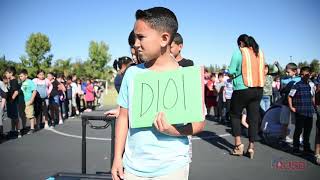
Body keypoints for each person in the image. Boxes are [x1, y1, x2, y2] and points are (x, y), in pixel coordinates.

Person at [111, 7, 205, 180]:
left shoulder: (187, 77)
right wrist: (117, 157)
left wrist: (172, 130)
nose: (136, 43)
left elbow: (198, 125)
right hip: (132, 167)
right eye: (135, 37)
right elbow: (123, 117)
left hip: (172, 167)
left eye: (141, 37)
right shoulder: (132, 74)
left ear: (164, 39)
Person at [228, 34, 265, 159]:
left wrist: (231, 75)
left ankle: (238, 145)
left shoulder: (239, 52)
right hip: (258, 88)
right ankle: (251, 147)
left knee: (235, 115)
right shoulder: (259, 53)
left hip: (242, 88)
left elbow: (231, 71)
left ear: (241, 43)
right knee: (253, 119)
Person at [288, 66, 315, 155]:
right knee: (298, 130)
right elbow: (290, 96)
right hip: (300, 111)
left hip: (309, 112)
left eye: (306, 75)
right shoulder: (297, 85)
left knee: (308, 131)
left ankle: (306, 147)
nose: (304, 76)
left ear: (310, 75)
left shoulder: (310, 85)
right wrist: (291, 107)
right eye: (302, 74)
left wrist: (314, 106)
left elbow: (312, 97)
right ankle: (296, 147)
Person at [19, 69, 37, 134]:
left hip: (29, 100)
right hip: (24, 101)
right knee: (25, 115)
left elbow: (34, 90)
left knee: (30, 115)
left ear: (26, 75)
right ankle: (25, 127)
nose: (20, 77)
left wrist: (32, 100)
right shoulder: (22, 83)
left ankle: (32, 128)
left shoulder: (30, 81)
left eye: (21, 76)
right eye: (20, 76)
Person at [5, 66, 21, 138]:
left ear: (11, 73)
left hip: (13, 102)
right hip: (10, 101)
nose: (6, 75)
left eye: (7, 73)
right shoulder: (10, 81)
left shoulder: (14, 81)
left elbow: (16, 92)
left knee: (15, 117)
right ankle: (12, 130)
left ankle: (18, 131)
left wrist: (11, 100)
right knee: (12, 117)